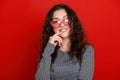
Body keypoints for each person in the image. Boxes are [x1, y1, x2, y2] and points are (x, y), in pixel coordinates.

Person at [35, 4, 94, 80]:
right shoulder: (48, 51)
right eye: (56, 21)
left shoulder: (86, 49)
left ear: (72, 21)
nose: (62, 25)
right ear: (51, 27)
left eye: (66, 20)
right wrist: (47, 50)